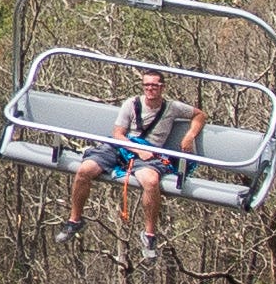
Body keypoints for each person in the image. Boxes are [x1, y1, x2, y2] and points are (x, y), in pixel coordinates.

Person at [63, 70, 206, 260]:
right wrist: (137, 150)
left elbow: (199, 115)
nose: (150, 89)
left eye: (154, 85)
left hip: (150, 154)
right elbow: (118, 134)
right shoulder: (131, 104)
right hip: (124, 147)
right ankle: (74, 219)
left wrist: (189, 136)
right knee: (85, 170)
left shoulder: (172, 108)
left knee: (151, 181)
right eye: (146, 85)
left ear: (162, 87)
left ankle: (149, 235)